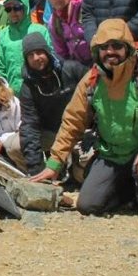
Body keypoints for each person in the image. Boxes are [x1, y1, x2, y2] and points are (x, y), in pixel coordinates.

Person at [32, 19, 138, 221]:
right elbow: (72, 122)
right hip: (112, 155)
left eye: (116, 46)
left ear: (127, 48)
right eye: (104, 47)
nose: (110, 52)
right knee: (87, 205)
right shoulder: (91, 81)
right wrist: (54, 163)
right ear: (97, 51)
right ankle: (129, 193)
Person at [18, 33, 88, 177]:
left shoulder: (72, 69)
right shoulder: (27, 88)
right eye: (30, 55)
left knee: (82, 176)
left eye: (39, 52)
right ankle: (43, 175)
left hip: (81, 131)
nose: (36, 58)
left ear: (47, 51)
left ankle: (74, 167)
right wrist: (35, 169)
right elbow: (29, 126)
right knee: (13, 146)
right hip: (52, 134)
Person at [0, 0, 50, 94]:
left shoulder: (40, 30)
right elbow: (1, 67)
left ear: (25, 7)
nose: (12, 12)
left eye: (16, 7)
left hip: (41, 89)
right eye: (8, 9)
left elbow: (51, 57)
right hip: (14, 92)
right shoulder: (2, 35)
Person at [44, 0, 91, 65]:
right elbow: (61, 52)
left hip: (97, 61)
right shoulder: (54, 22)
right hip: (77, 66)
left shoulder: (85, 7)